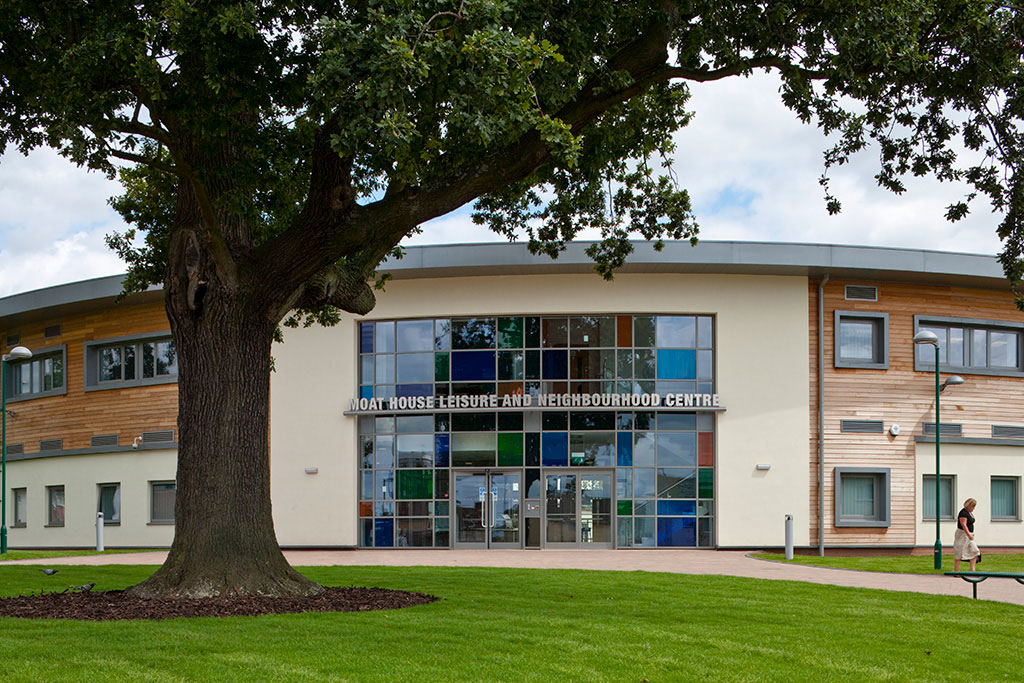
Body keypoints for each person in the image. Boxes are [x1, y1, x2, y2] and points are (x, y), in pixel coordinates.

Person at [953, 498, 980, 571]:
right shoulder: (963, 513)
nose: (973, 508)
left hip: (970, 535)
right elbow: (963, 525)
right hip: (962, 535)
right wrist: (968, 535)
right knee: (959, 552)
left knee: (974, 551)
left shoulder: (969, 513)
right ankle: (956, 571)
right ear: (968, 506)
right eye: (972, 507)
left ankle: (972, 570)